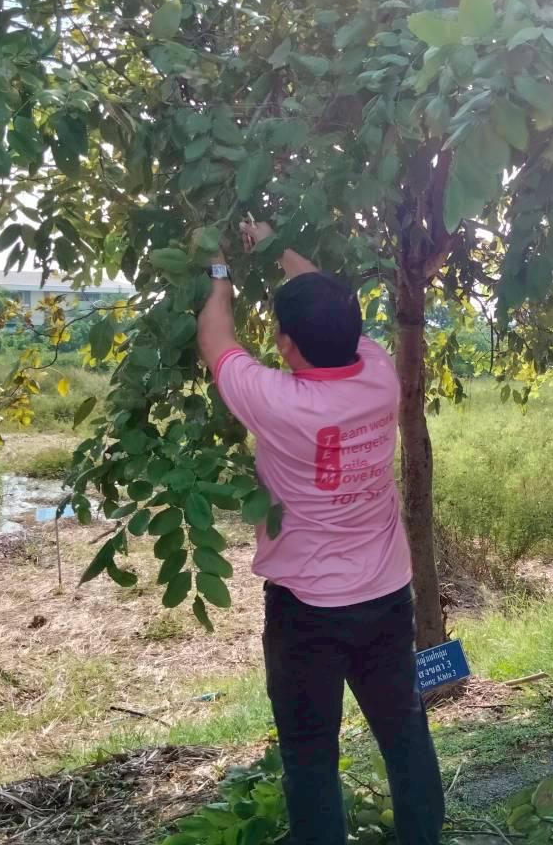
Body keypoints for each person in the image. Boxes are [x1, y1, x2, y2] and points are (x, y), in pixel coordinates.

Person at [196, 222, 444, 845]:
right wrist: (278, 242)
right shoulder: (379, 370)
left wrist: (220, 269)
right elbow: (320, 294)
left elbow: (215, 338)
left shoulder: (276, 400)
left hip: (307, 611)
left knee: (309, 758)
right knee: (405, 731)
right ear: (353, 332)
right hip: (388, 594)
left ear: (284, 345)